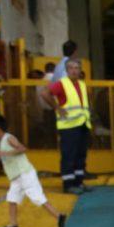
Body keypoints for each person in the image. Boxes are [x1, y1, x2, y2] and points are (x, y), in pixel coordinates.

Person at [0, 115, 65, 227]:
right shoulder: (2, 141)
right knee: (12, 198)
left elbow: (22, 149)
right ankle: (13, 224)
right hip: (16, 177)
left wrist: (4, 153)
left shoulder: (9, 138)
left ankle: (59, 216)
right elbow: (6, 157)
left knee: (37, 198)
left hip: (25, 174)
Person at [41, 58, 91, 194]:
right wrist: (57, 107)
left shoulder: (82, 84)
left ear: (80, 70)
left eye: (76, 68)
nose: (74, 71)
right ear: (67, 70)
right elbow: (44, 93)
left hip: (82, 124)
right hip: (68, 126)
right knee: (69, 155)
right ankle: (68, 185)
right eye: (71, 68)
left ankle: (79, 182)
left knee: (80, 155)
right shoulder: (62, 84)